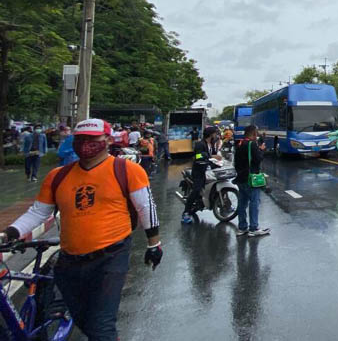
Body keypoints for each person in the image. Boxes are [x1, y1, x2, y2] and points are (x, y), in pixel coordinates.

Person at [0, 118, 162, 341]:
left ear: (108, 140)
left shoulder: (127, 170)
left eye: (92, 139)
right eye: (80, 139)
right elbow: (38, 212)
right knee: (81, 318)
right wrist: (10, 233)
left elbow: (146, 207)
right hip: (70, 259)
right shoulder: (58, 176)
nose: (86, 144)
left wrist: (154, 244)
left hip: (111, 257)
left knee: (101, 325)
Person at [233, 125, 271, 237]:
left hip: (240, 177)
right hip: (251, 179)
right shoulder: (252, 144)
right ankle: (253, 228)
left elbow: (236, 161)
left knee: (242, 204)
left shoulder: (240, 143)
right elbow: (258, 160)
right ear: (253, 133)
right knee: (254, 203)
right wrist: (261, 150)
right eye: (256, 133)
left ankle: (242, 227)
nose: (257, 135)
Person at [182, 126, 222, 224]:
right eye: (215, 133)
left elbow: (214, 156)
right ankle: (185, 213)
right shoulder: (200, 144)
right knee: (196, 190)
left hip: (208, 170)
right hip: (198, 171)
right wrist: (210, 156)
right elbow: (197, 156)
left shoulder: (211, 144)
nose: (216, 135)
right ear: (211, 134)